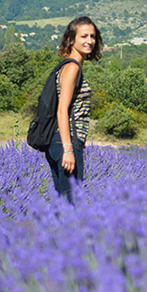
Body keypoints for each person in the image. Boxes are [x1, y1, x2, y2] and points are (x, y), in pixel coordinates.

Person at [46, 16, 102, 199]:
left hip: (59, 142)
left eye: (92, 36)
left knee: (63, 205)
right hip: (67, 141)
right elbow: (62, 110)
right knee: (71, 207)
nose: (90, 41)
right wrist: (68, 150)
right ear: (71, 39)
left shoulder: (68, 66)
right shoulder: (72, 68)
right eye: (84, 36)